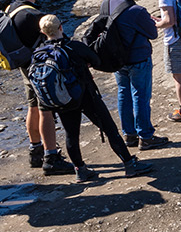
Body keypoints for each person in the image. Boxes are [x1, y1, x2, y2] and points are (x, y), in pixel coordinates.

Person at [34, 15, 152, 182]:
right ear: (61, 27)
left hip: (63, 100)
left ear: (42, 32)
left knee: (71, 135)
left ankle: (80, 170)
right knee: (110, 129)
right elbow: (95, 60)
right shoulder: (74, 47)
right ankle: (129, 164)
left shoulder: (39, 53)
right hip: (86, 95)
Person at [4, 0, 64, 171]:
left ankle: (35, 151)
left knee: (33, 107)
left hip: (24, 66)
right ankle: (51, 157)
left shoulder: (11, 8)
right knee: (46, 111)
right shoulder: (33, 15)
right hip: (39, 70)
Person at [103, 0, 167, 150]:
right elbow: (153, 34)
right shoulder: (137, 11)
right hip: (138, 58)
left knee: (123, 94)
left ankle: (129, 135)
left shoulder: (107, 3)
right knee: (140, 96)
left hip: (117, 59)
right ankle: (145, 136)